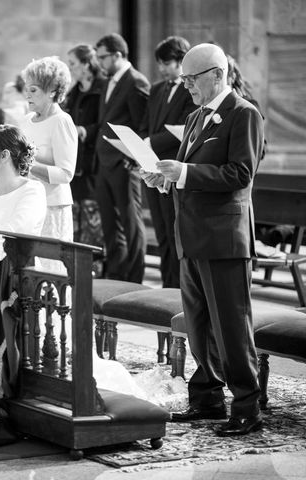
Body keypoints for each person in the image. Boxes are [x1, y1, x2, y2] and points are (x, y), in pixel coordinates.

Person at [142, 43, 265, 436]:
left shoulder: (243, 114)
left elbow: (240, 174)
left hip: (225, 239)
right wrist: (164, 180)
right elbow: (188, 174)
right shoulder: (196, 117)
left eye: (191, 79)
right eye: (183, 79)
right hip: (191, 237)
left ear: (217, 74)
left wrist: (184, 172)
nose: (186, 87)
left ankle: (247, 406)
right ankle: (207, 397)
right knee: (199, 326)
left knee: (231, 327)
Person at [139, 36, 196, 289]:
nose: (162, 68)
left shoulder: (189, 91)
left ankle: (178, 288)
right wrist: (141, 142)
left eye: (168, 62)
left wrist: (152, 142)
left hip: (174, 167)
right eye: (160, 63)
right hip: (153, 166)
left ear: (182, 60)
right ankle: (166, 285)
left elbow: (185, 128)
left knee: (175, 236)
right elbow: (147, 123)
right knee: (162, 233)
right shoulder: (156, 89)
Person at [94, 33, 150, 283]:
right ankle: (116, 274)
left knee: (131, 222)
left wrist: (134, 158)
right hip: (104, 161)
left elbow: (143, 124)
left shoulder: (136, 81)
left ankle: (135, 276)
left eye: (103, 57)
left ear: (118, 54)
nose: (99, 63)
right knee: (110, 223)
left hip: (124, 163)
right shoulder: (108, 82)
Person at [18, 56, 78, 242]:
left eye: (33, 90)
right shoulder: (26, 120)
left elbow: (66, 174)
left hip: (51, 207)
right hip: (26, 201)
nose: (27, 95)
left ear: (52, 91)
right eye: (26, 89)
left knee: (50, 266)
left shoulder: (62, 121)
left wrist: (27, 164)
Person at [63, 44, 106, 247]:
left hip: (94, 161)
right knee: (75, 219)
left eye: (73, 63)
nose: (69, 67)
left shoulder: (103, 88)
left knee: (93, 219)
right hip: (75, 161)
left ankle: (96, 267)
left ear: (87, 64)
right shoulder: (74, 92)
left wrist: (85, 131)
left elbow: (106, 122)